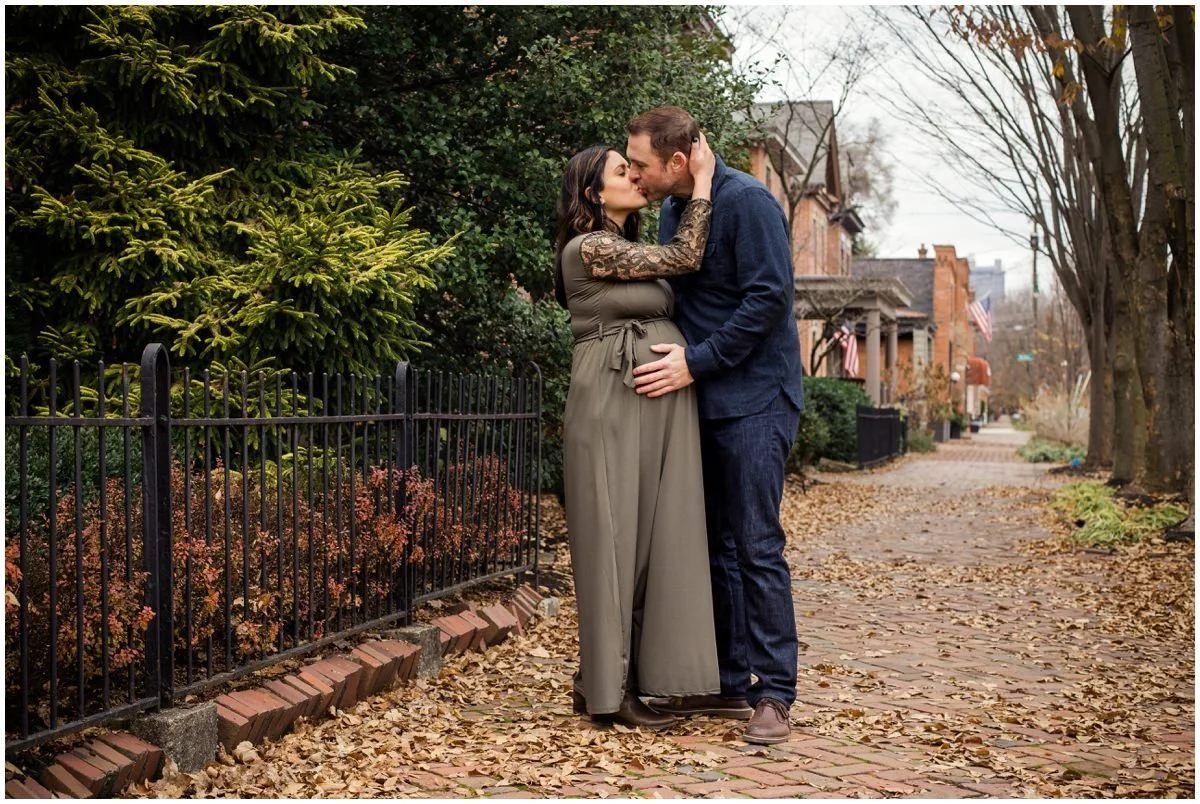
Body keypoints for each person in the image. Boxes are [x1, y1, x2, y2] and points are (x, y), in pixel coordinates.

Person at [625, 106, 805, 745]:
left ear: (677, 161)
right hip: (701, 399)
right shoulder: (679, 208)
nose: (634, 175)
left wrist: (694, 363)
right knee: (714, 546)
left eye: (641, 163)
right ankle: (731, 679)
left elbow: (767, 300)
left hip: (757, 398)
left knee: (756, 544)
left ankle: (775, 693)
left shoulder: (750, 203)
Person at [554, 136, 720, 728]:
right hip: (608, 403)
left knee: (648, 544)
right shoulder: (589, 247)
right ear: (593, 192)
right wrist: (701, 182)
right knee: (612, 542)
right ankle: (609, 693)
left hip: (650, 405)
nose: (635, 178)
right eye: (623, 172)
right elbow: (684, 258)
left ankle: (613, 678)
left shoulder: (622, 244)